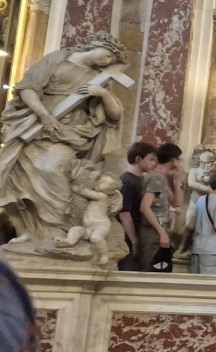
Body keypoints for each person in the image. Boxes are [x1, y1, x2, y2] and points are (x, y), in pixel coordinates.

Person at [0, 32, 126, 245]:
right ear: (96, 44)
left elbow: (114, 115)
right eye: (107, 55)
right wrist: (44, 115)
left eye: (112, 60)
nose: (107, 61)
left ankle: (57, 228)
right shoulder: (57, 59)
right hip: (36, 124)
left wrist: (102, 94)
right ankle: (31, 230)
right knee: (19, 175)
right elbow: (28, 87)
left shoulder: (100, 78)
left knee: (50, 169)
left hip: (70, 131)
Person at [138, 143, 181, 272]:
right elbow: (145, 207)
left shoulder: (162, 178)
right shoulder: (156, 177)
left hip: (158, 230)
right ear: (174, 160)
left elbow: (177, 202)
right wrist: (162, 233)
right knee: (151, 270)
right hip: (152, 231)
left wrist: (178, 180)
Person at [117, 142, 157, 271]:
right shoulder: (127, 181)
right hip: (126, 237)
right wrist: (134, 240)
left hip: (139, 233)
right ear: (138, 159)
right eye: (151, 159)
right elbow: (124, 213)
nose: (154, 163)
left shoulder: (143, 180)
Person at [188, 171, 216, 275]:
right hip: (213, 251)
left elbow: (190, 226)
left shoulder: (201, 200)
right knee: (213, 283)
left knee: (196, 283)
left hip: (197, 249)